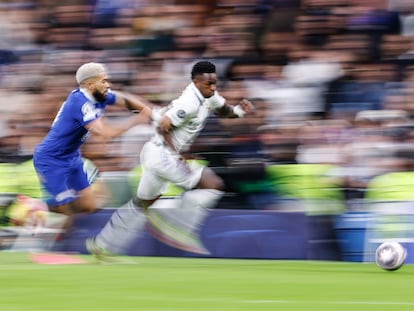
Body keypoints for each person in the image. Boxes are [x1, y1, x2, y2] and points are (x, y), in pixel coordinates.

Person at [86, 60, 254, 259]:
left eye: (215, 82)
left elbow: (224, 109)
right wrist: (176, 154)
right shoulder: (188, 102)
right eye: (209, 84)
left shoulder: (209, 95)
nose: (213, 87)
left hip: (154, 153)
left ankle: (102, 245)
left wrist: (239, 111)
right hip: (163, 154)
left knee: (142, 204)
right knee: (213, 184)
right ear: (196, 82)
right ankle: (177, 224)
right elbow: (163, 126)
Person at [16, 62, 152, 235]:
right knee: (67, 209)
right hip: (51, 159)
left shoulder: (99, 95)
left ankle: (45, 211)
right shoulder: (81, 104)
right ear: (90, 85)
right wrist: (136, 121)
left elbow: (123, 99)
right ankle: (41, 218)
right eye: (104, 81)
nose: (108, 85)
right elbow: (105, 133)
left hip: (72, 157)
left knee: (89, 206)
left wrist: (149, 110)